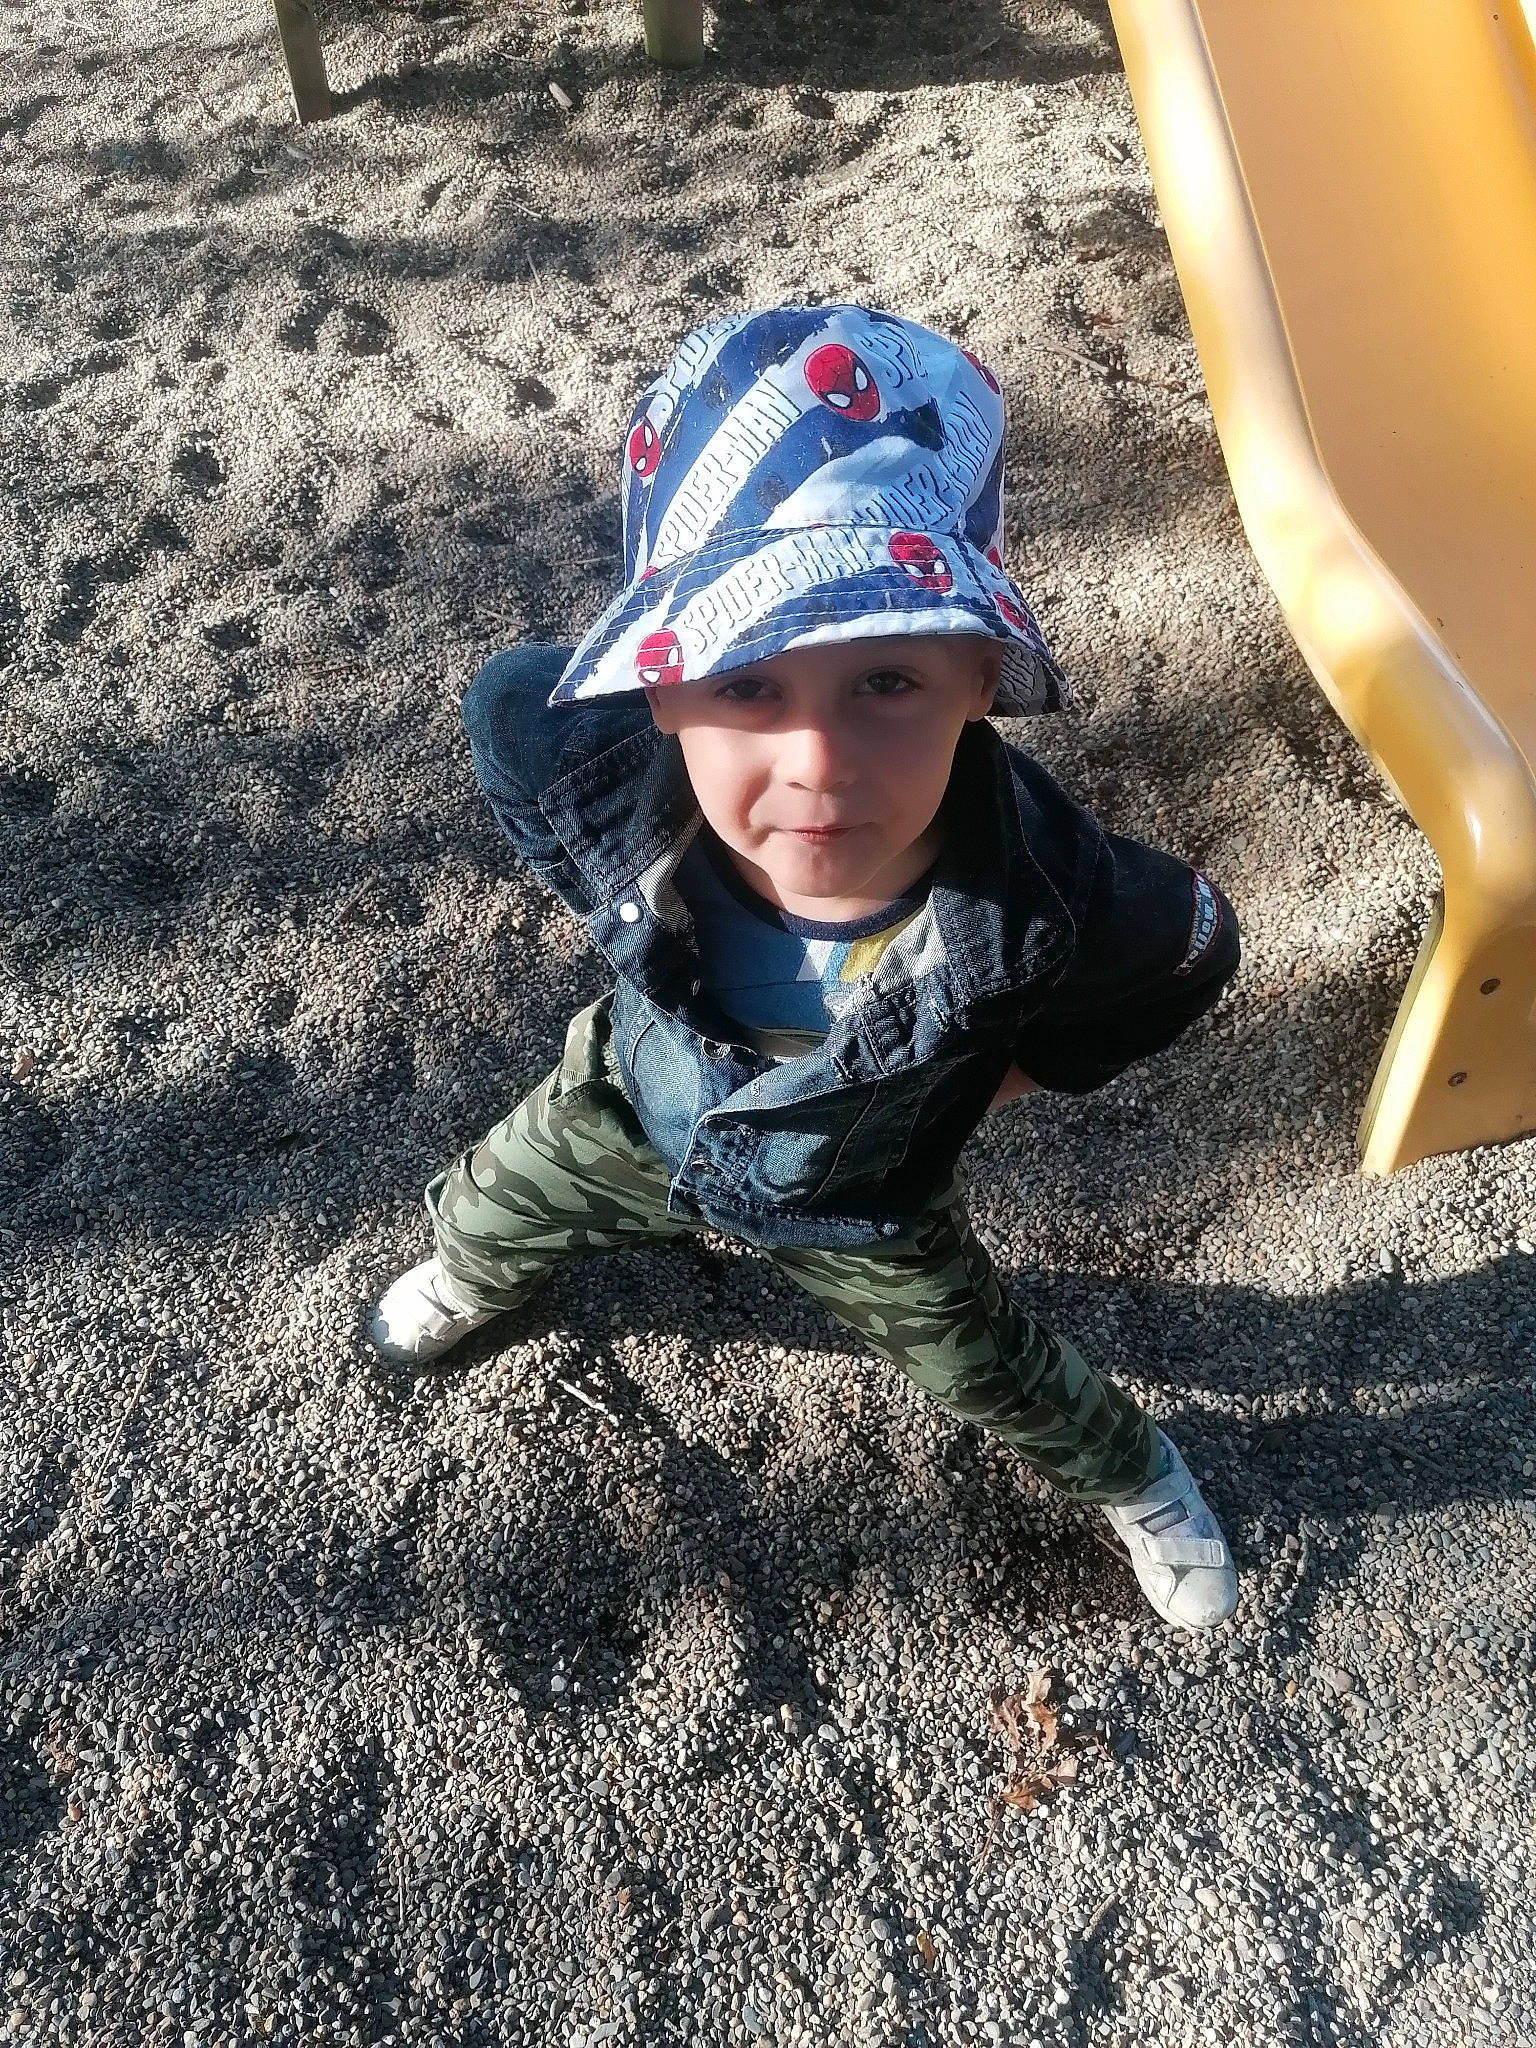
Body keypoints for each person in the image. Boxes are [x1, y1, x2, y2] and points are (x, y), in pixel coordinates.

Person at [371, 306, 1242, 1629]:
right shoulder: (600, 763)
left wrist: (1016, 1070)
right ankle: (481, 1272)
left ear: (975, 680)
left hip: (866, 1191)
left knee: (982, 1365)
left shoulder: (1039, 886)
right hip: (629, 1099)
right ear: (661, 692)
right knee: (492, 1203)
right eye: (750, 690)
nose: (819, 763)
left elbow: (1190, 945)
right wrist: (608, 902)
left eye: (887, 682)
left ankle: (1140, 1475)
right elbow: (512, 719)